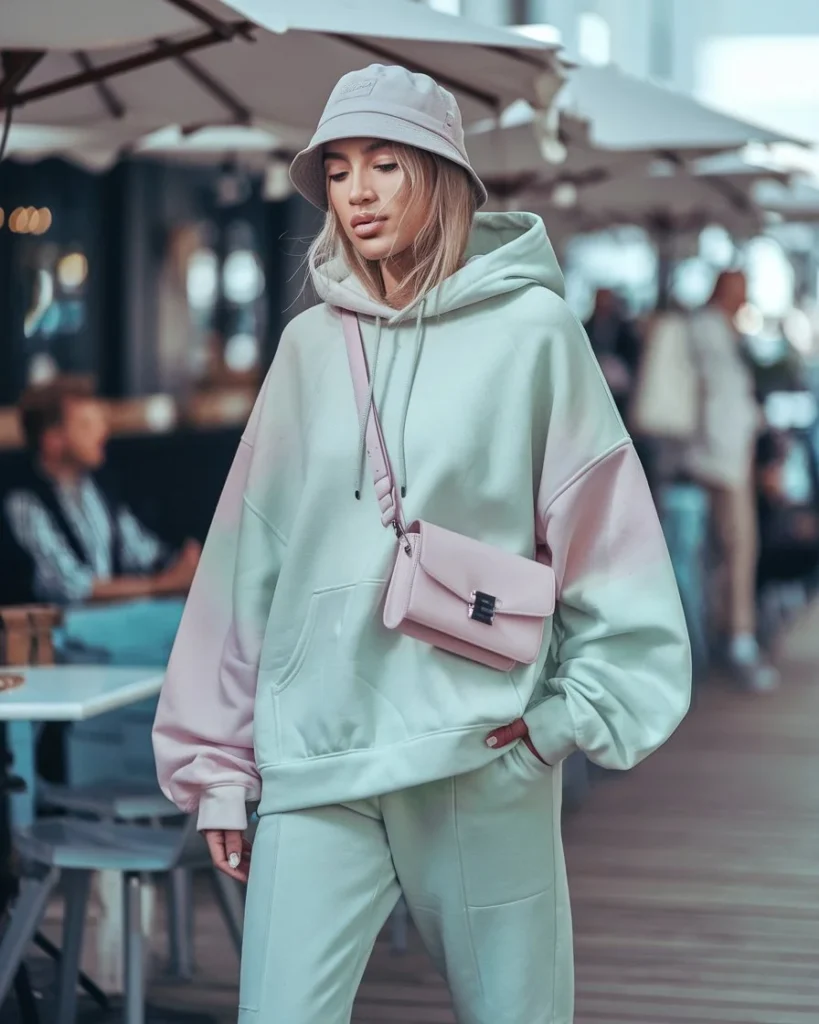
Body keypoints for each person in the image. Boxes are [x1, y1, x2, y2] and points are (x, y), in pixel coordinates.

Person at [153, 65, 691, 1024]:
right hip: (317, 762)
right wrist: (219, 772)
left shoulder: (534, 334)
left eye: (386, 165)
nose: (357, 191)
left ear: (439, 176)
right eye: (339, 170)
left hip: (477, 756)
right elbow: (245, 566)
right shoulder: (309, 350)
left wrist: (561, 724)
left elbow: (609, 543)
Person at [3, 377, 201, 606]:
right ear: (53, 440)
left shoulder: (99, 490)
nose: (102, 433)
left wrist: (183, 562)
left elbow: (140, 549)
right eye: (86, 425)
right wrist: (163, 585)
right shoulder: (24, 502)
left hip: (110, 623)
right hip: (59, 632)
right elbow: (72, 586)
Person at [682, 271, 777, 691]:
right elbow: (720, 400)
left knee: (723, 551)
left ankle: (728, 632)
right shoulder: (707, 331)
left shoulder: (715, 330)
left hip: (717, 456)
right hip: (719, 459)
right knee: (737, 547)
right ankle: (736, 636)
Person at [583, 287, 642, 417]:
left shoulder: (625, 331)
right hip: (592, 388)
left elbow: (633, 356)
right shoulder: (584, 328)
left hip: (618, 393)